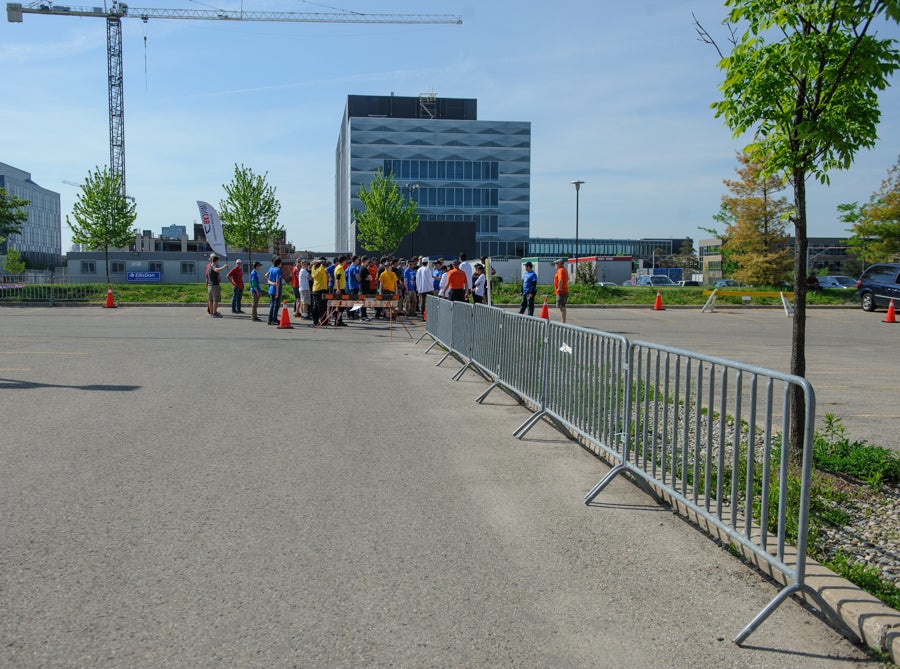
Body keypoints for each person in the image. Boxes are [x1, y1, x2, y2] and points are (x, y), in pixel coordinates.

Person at [206, 254, 227, 318]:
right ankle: (214, 313)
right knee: (216, 300)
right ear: (216, 260)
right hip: (214, 286)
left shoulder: (209, 267)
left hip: (210, 286)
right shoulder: (213, 266)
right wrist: (224, 267)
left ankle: (212, 313)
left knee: (211, 300)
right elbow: (216, 270)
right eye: (218, 260)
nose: (218, 261)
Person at [310, 258, 329, 325]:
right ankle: (323, 320)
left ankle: (316, 320)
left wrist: (314, 262)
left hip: (315, 289)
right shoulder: (321, 269)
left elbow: (313, 264)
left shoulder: (313, 269)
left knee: (316, 305)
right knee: (322, 306)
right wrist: (318, 261)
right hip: (321, 289)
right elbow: (324, 262)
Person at [266, 256, 283, 325]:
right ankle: (274, 319)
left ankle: (270, 319)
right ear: (279, 263)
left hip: (271, 289)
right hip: (276, 290)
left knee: (272, 305)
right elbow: (278, 281)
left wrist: (270, 282)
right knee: (276, 305)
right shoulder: (278, 270)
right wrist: (277, 292)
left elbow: (266, 276)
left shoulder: (271, 268)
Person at [553, 258, 570, 323]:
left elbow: (560, 280)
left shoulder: (560, 270)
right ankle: (563, 321)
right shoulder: (564, 270)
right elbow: (567, 279)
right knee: (561, 306)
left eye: (557, 263)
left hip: (561, 292)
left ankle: (563, 322)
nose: (555, 264)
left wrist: (559, 288)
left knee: (562, 306)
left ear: (560, 264)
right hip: (564, 291)